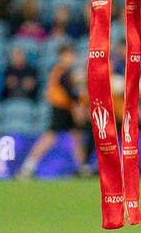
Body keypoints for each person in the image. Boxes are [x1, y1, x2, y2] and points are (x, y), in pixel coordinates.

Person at [16, 44, 88, 177]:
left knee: (76, 136)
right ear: (62, 56)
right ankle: (28, 166)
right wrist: (77, 107)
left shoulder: (67, 72)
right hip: (61, 108)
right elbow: (70, 92)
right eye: (68, 55)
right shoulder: (60, 72)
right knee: (50, 137)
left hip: (67, 108)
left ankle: (82, 168)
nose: (71, 58)